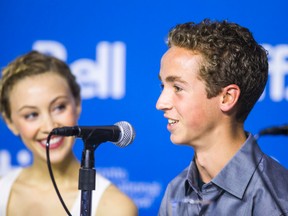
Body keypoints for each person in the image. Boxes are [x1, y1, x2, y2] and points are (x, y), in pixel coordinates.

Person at [156, 19, 288, 215]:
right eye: (163, 87)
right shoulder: (176, 190)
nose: (160, 103)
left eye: (177, 88)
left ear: (227, 98)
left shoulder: (276, 200)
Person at [0, 51, 138, 216]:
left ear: (77, 104)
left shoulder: (116, 208)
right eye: (31, 115)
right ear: (9, 121)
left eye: (59, 107)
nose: (49, 126)